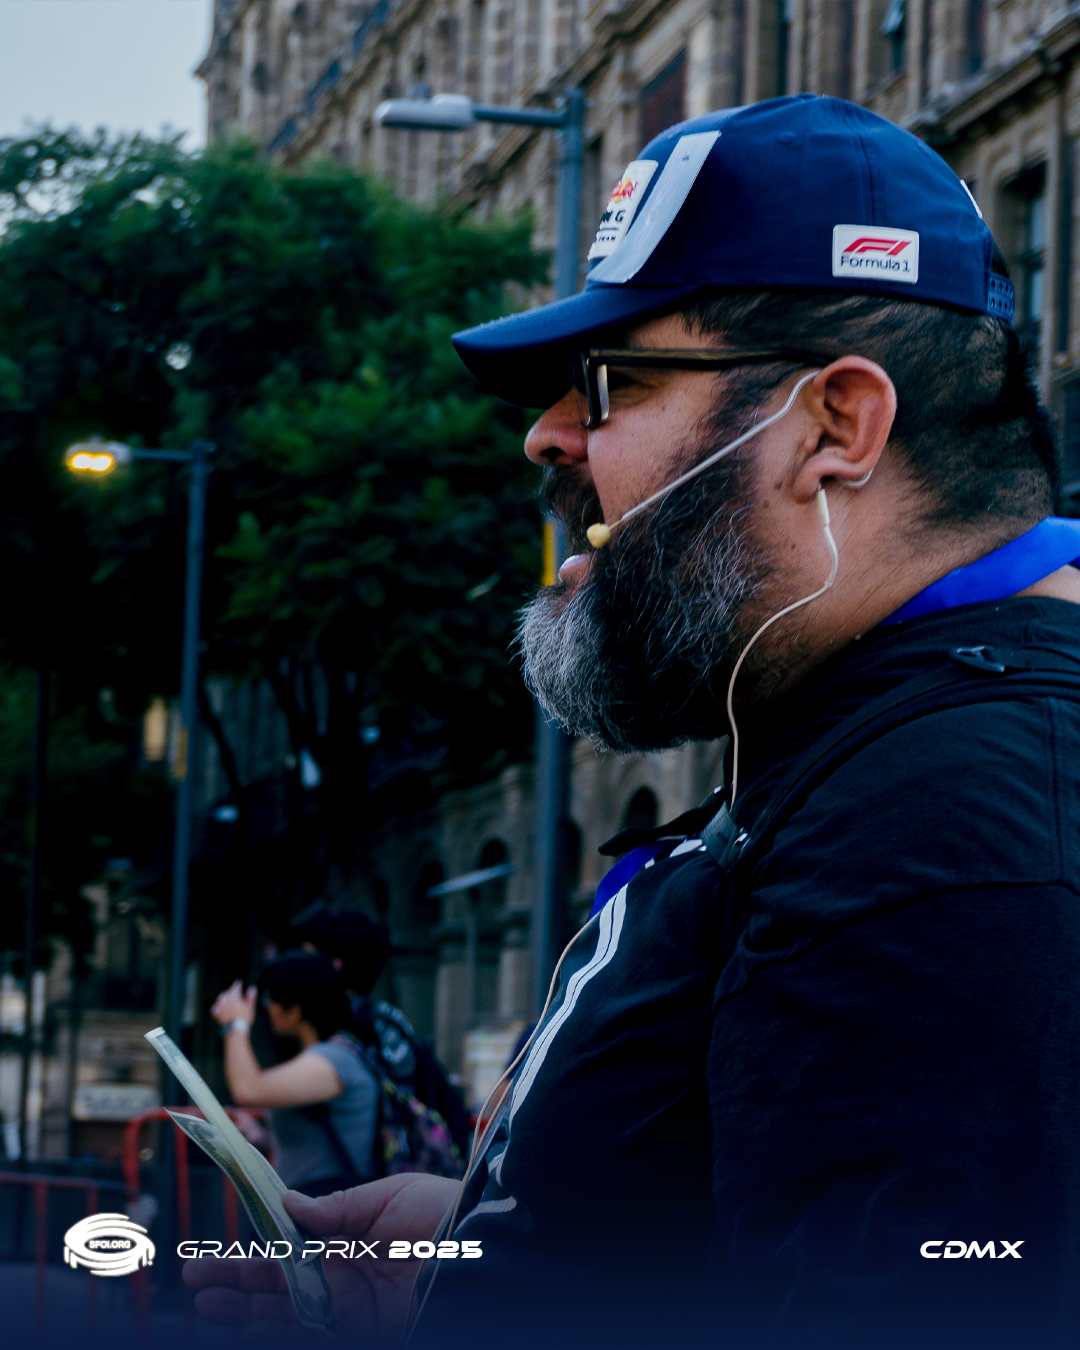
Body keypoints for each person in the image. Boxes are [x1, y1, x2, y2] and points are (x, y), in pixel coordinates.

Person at [186, 94, 1080, 1349]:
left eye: (613, 381)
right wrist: (507, 1247)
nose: (547, 437)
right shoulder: (885, 749)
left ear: (834, 424)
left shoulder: (954, 820)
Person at [291, 900, 473, 1155]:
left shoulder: (367, 1032)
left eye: (306, 957)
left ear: (334, 964)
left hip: (378, 1175)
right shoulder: (382, 1021)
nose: (294, 968)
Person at [210, 950, 380, 1197]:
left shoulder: (334, 1060)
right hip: (311, 1203)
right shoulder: (329, 1056)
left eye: (271, 999)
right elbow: (315, 1144)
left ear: (295, 1011)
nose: (268, 1008)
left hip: (325, 1209)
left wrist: (235, 1024)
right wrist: (264, 1135)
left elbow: (247, 1090)